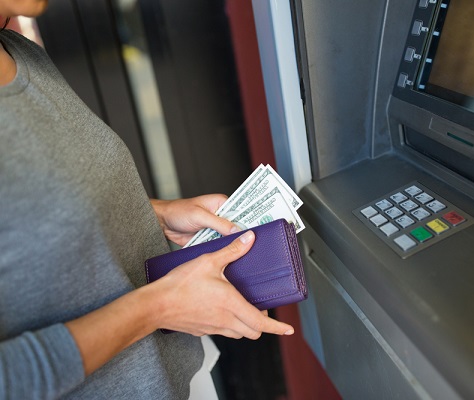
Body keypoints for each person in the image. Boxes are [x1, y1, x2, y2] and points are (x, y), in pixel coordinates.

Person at [0, 1, 294, 398]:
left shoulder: (18, 52)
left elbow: (29, 219)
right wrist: (161, 307)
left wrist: (151, 213)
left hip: (172, 373)